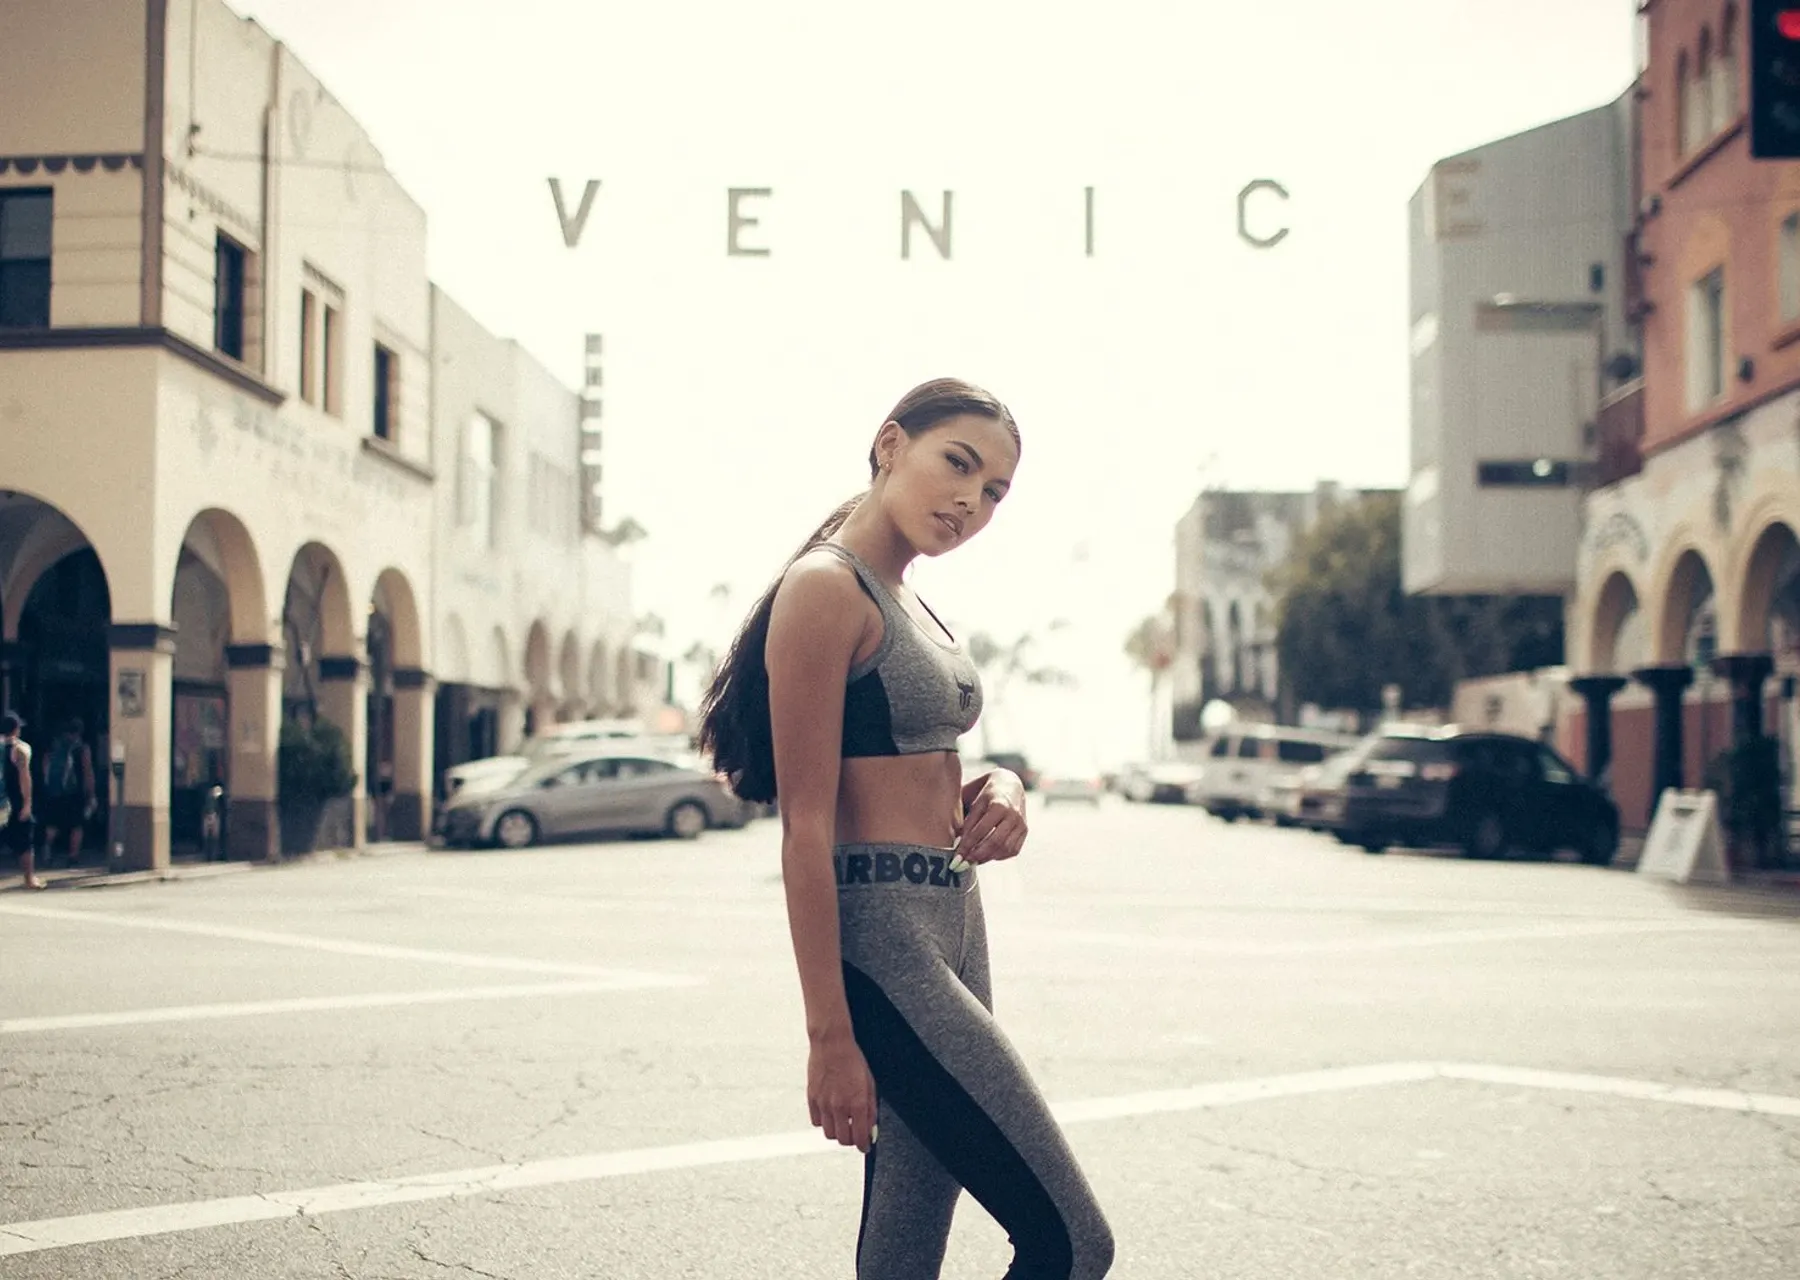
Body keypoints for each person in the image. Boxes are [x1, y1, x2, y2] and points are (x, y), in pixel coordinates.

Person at [699, 378, 1114, 1279]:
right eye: (957, 464)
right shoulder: (825, 588)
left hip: (956, 921)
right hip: (886, 940)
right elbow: (805, 829)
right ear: (891, 445)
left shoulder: (912, 602)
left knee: (905, 1242)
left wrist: (1005, 785)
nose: (971, 501)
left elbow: (922, 765)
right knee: (1074, 1244)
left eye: (994, 491)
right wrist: (829, 1036)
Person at [40, 717, 96, 868]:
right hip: (73, 792)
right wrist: (91, 793)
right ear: (79, 732)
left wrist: (48, 786)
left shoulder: (54, 747)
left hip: (54, 792)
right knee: (76, 824)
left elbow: (44, 767)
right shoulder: (82, 748)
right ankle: (73, 856)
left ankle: (47, 850)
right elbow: (88, 771)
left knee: (52, 823)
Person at [2, 711, 42, 890]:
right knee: (24, 840)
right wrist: (27, 803)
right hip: (14, 801)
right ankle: (29, 878)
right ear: (16, 729)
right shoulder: (20, 749)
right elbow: (24, 778)